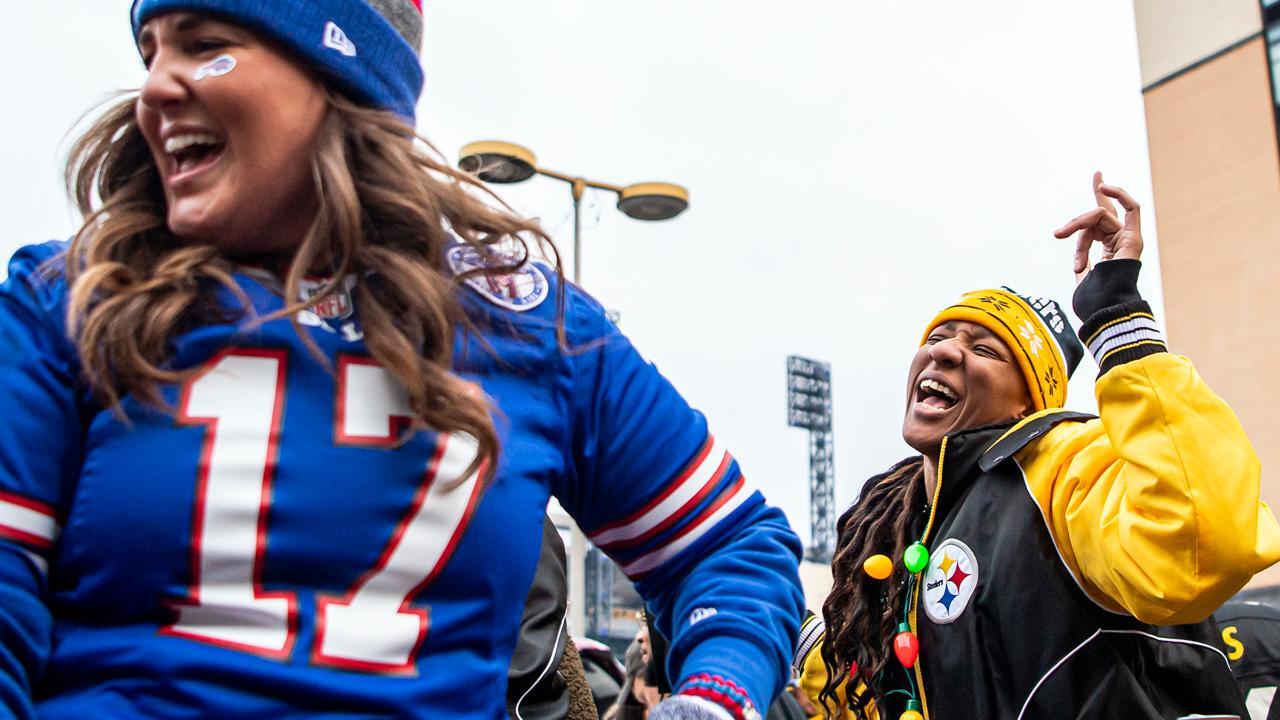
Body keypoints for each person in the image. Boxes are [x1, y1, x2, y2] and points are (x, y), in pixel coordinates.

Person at [0, 2, 805, 718]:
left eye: (206, 44)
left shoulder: (527, 323)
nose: (154, 91)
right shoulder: (63, 302)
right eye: (151, 53)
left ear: (340, 68)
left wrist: (712, 699)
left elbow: (729, 546)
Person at [793, 174, 1280, 719]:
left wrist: (1119, 319)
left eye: (985, 349)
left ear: (1028, 405)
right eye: (936, 337)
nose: (946, 353)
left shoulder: (1060, 467)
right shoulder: (898, 522)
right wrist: (788, 633)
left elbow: (1201, 539)